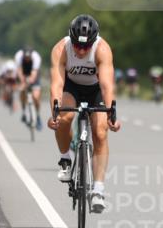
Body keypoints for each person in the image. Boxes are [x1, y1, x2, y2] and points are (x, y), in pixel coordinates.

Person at [47, 14, 121, 212]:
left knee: (100, 131)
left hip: (95, 89)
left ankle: (98, 189)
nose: (80, 50)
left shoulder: (102, 49)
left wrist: (112, 114)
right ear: (71, 39)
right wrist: (54, 112)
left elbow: (106, 86)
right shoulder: (61, 49)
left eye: (85, 47)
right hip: (71, 87)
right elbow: (57, 84)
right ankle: (65, 158)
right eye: (77, 46)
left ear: (93, 42)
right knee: (65, 118)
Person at [14, 45, 43, 130]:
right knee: (22, 91)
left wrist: (30, 81)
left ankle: (37, 116)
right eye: (25, 57)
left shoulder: (36, 57)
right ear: (23, 55)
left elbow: (34, 74)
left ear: (31, 55)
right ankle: (24, 111)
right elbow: (19, 71)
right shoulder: (18, 56)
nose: (27, 59)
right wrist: (23, 82)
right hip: (23, 71)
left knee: (36, 97)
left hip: (33, 72)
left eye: (28, 57)